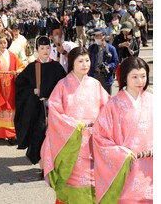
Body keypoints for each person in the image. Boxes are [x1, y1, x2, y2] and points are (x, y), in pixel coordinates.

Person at [41, 47, 110, 204]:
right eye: (80, 61)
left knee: (94, 178)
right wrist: (77, 125)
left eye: (87, 60)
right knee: (74, 177)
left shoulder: (95, 84)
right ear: (72, 63)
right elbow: (55, 114)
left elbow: (108, 109)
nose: (85, 64)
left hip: (94, 140)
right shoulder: (62, 85)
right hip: (70, 142)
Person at [93, 57, 153, 203]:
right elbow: (99, 137)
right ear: (125, 78)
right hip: (126, 167)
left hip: (151, 168)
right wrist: (121, 153)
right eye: (135, 77)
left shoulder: (152, 100)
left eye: (143, 76)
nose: (140, 81)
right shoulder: (113, 105)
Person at [14, 36, 67, 181]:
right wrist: (32, 92)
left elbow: (65, 86)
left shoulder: (57, 67)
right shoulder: (32, 67)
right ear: (37, 50)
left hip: (55, 110)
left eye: (48, 48)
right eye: (42, 48)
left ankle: (56, 166)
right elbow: (20, 85)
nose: (45, 51)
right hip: (38, 110)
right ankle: (43, 168)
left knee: (56, 137)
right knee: (40, 137)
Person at [88, 28, 119, 95]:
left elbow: (116, 62)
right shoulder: (91, 48)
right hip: (94, 75)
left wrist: (109, 66)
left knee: (107, 97)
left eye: (99, 35)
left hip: (106, 76)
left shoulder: (111, 49)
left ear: (104, 36)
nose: (97, 38)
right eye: (95, 36)